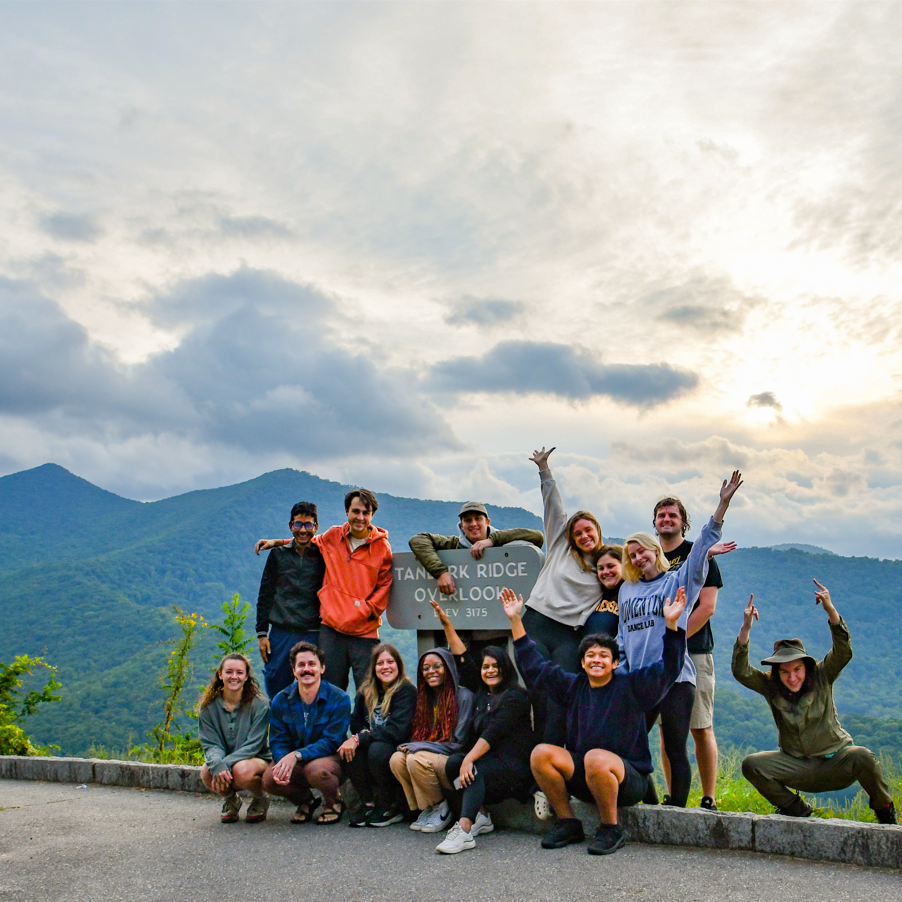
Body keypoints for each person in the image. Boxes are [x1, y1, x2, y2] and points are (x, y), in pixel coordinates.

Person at [502, 584, 688, 855]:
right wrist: (516, 621)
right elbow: (535, 668)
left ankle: (610, 828)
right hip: (586, 775)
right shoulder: (574, 686)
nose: (596, 660)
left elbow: (669, 668)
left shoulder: (631, 686)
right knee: (541, 754)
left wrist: (671, 624)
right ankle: (568, 822)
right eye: (590, 655)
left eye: (603, 655)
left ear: (614, 663)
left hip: (628, 780)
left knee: (596, 758)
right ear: (583, 663)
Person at [618, 470, 742, 809]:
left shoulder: (675, 581)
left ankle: (676, 813)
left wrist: (721, 506)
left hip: (675, 677)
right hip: (640, 679)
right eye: (632, 554)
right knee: (629, 744)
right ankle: (650, 804)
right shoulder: (627, 590)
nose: (639, 557)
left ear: (653, 552)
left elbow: (701, 549)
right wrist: (620, 673)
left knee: (676, 746)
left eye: (643, 551)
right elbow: (623, 636)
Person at [732, 581, 897, 824]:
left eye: (797, 669)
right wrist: (745, 628)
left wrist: (830, 609)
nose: (792, 677)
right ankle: (795, 808)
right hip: (796, 766)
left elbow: (843, 651)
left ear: (806, 667)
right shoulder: (771, 686)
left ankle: (885, 814)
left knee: (863, 756)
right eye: (785, 672)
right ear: (777, 673)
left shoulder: (822, 675)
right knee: (752, 764)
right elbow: (741, 671)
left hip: (835, 761)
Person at [256, 489, 393, 692]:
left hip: (359, 631)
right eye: (356, 511)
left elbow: (385, 586)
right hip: (325, 630)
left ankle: (362, 717)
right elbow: (306, 541)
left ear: (372, 515)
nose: (360, 517)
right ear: (347, 512)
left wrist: (366, 610)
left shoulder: (382, 548)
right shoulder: (333, 536)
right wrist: (277, 542)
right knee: (326, 690)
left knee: (367, 691)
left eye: (366, 513)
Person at [430, 599, 537, 854]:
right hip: (489, 763)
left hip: (514, 768)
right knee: (453, 764)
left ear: (506, 668)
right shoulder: (481, 693)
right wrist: (446, 625)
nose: (490, 671)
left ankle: (464, 830)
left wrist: (470, 758)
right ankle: (482, 815)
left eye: (496, 666)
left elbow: (494, 732)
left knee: (471, 768)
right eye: (486, 667)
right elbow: (462, 658)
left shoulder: (515, 697)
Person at [654, 496, 736, 810]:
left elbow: (707, 607)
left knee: (700, 727)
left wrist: (673, 639)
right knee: (666, 730)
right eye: (661, 515)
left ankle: (708, 797)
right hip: (660, 658)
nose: (666, 519)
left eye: (672, 515)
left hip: (695, 651)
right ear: (655, 522)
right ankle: (674, 795)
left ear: (683, 522)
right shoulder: (651, 557)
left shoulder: (699, 553)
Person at [522, 446, 606, 744]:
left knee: (562, 698)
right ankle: (537, 763)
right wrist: (544, 469)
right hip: (537, 624)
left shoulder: (606, 564)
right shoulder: (560, 546)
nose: (584, 536)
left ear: (598, 531)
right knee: (538, 696)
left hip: (569, 635)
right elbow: (554, 508)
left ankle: (560, 759)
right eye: (578, 532)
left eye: (588, 530)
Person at [262, 641, 351, 825]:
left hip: (329, 758)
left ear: (322, 668)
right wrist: (282, 761)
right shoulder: (281, 700)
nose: (306, 669)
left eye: (312, 664)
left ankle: (334, 802)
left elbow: (332, 741)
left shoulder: (339, 698)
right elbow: (277, 740)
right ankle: (306, 801)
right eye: (301, 665)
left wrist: (297, 755)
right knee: (270, 778)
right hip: (297, 758)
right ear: (294, 670)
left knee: (316, 770)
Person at [389, 647, 475, 834]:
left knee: (416, 758)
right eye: (426, 668)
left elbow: (459, 744)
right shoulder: (425, 699)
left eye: (437, 666)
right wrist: (419, 746)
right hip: (431, 754)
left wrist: (420, 746)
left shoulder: (463, 696)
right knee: (397, 759)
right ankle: (427, 808)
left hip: (454, 759)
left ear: (448, 668)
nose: (431, 672)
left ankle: (441, 808)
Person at [338, 643, 417, 828]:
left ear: (398, 665)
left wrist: (361, 737)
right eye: (380, 663)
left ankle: (390, 805)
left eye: (390, 662)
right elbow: (356, 721)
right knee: (349, 750)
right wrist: (359, 737)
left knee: (377, 750)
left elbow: (397, 731)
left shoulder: (406, 691)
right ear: (374, 668)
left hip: (397, 745)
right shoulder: (366, 691)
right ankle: (368, 804)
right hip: (374, 741)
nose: (385, 667)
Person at [255, 500, 326, 699]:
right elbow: (265, 594)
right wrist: (262, 634)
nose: (303, 530)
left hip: (313, 633)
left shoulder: (323, 556)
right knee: (277, 690)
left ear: (316, 527)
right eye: (298, 524)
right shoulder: (278, 555)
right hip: (281, 633)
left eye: (308, 525)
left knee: (313, 690)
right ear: (290, 526)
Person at [409, 501, 544, 598]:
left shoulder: (503, 542)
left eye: (478, 519)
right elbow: (418, 540)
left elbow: (537, 537)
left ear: (487, 522)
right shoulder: (454, 544)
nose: (473, 524)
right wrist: (440, 573)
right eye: (468, 520)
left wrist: (491, 540)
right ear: (462, 526)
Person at [198, 653, 273, 824]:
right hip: (227, 758)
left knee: (241, 770)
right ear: (220, 675)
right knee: (207, 772)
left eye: (239, 672)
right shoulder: (208, 707)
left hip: (257, 758)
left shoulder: (260, 704)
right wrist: (217, 763)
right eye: (229, 672)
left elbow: (254, 744)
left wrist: (224, 763)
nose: (234, 677)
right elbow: (211, 743)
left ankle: (260, 798)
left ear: (246, 677)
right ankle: (231, 799)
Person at [581, 545, 623, 640]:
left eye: (611, 566)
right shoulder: (594, 596)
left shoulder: (630, 596)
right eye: (601, 568)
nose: (606, 572)